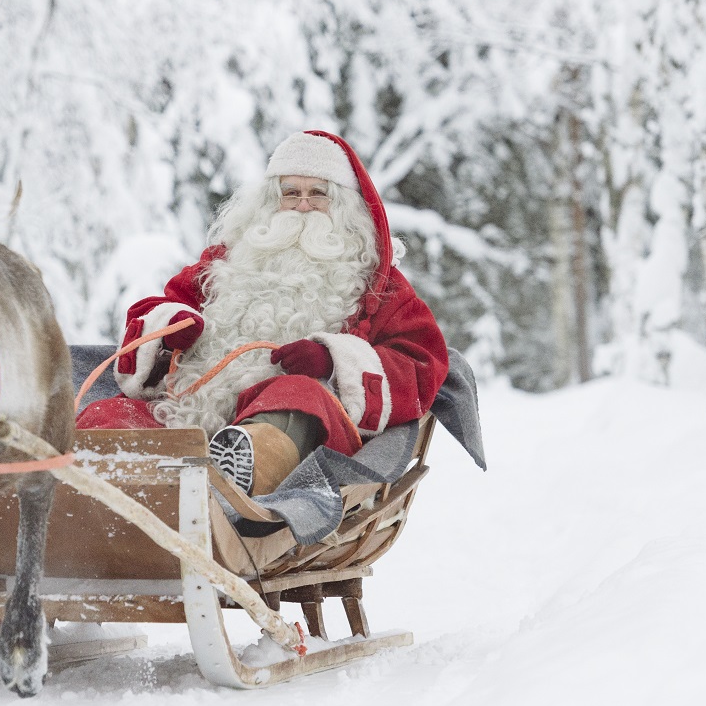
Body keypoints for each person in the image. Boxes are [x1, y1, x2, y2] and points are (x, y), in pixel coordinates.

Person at [77, 130, 451, 496]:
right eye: (291, 193)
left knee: (298, 393)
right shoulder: (226, 262)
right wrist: (169, 329)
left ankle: (238, 473)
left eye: (317, 194)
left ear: (344, 207)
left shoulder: (378, 284)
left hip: (295, 435)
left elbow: (422, 362)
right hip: (186, 415)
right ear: (271, 202)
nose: (303, 205)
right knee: (106, 416)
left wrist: (333, 362)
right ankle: (96, 486)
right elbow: (158, 309)